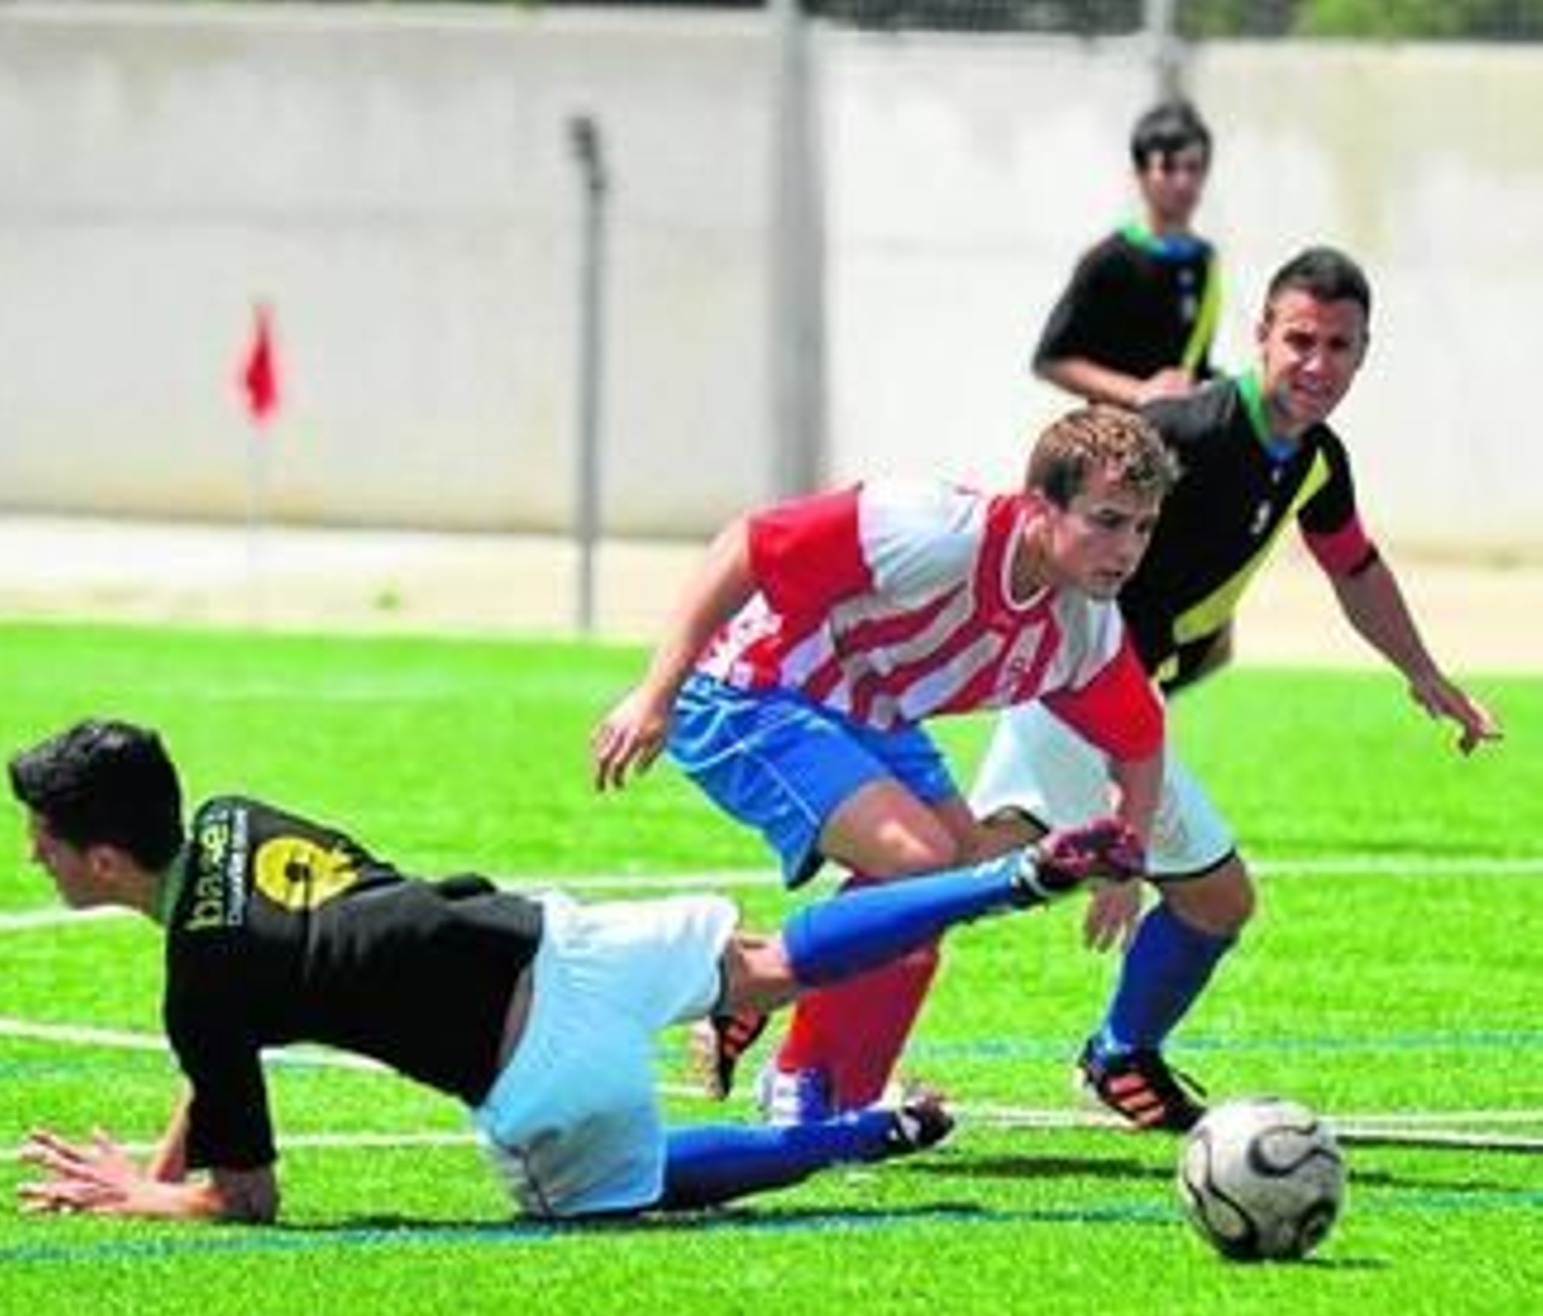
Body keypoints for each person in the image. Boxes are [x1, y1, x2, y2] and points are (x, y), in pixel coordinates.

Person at [10, 718, 1144, 1225]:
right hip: (562, 942)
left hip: (539, 1080)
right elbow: (233, 1019)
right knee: (770, 964)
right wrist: (192, 1111)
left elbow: (247, 1199)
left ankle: (863, 1135)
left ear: (105, 860)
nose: (34, 854)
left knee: (637, 1187)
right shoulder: (234, 822)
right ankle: (1017, 880)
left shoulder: (201, 988)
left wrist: (152, 1190)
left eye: (45, 840)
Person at [970, 246, 1503, 1131]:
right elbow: (1049, 518)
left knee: (953, 864)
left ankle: (771, 977)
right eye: (1299, 339)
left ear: (1364, 354)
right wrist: (1120, 818)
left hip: (1095, 702)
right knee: (1217, 898)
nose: (1317, 364)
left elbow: (1354, 566)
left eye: (1340, 345)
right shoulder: (1182, 433)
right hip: (1087, 700)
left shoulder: (1317, 460)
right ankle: (1119, 1054)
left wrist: (1423, 672)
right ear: (1261, 335)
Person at [592, 405, 1178, 1124]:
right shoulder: (929, 526)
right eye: (1108, 519)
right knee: (920, 859)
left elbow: (1141, 741)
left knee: (943, 887)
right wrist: (656, 691)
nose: (1128, 547)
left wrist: (1129, 855)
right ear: (1038, 508)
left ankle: (849, 1095)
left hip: (869, 712)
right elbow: (743, 545)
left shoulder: (1084, 627)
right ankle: (788, 1062)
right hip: (751, 686)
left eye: (1144, 526)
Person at [1033, 99, 1220, 411]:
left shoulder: (1205, 259)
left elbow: (1192, 364)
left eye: (1194, 167)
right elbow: (1050, 360)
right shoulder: (1108, 260)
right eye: (1169, 167)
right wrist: (1139, 391)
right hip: (1118, 445)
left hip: (1181, 446)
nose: (1184, 181)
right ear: (1140, 173)